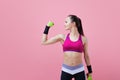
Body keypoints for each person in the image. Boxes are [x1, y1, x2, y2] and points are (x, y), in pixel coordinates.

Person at [41, 15, 93, 80]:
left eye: (66, 22)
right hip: (66, 70)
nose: (64, 24)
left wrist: (90, 71)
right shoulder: (62, 37)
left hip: (79, 70)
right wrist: (47, 27)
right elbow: (44, 42)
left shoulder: (83, 39)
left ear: (73, 23)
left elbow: (86, 56)